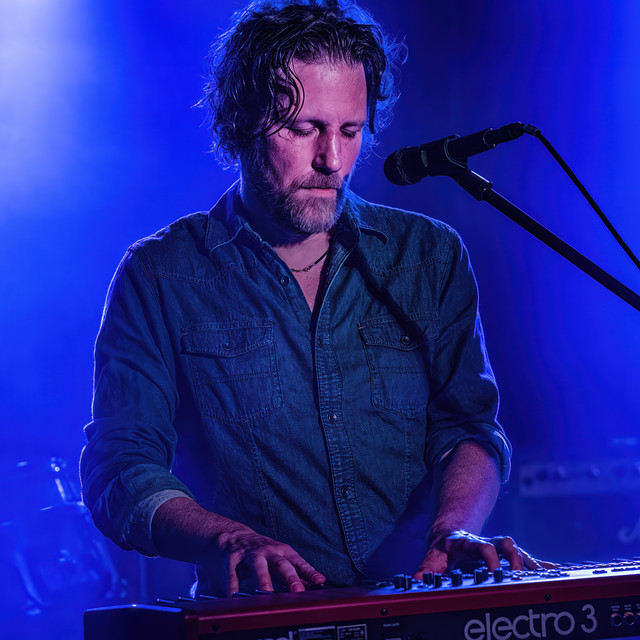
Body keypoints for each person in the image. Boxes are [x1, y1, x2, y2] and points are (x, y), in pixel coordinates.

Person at [81, 0, 545, 598]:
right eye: (303, 129)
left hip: (419, 605)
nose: (332, 160)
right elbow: (120, 468)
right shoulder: (161, 275)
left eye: (350, 131)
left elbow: (469, 427)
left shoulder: (428, 255)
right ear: (241, 121)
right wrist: (229, 539)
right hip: (259, 618)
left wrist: (452, 531)